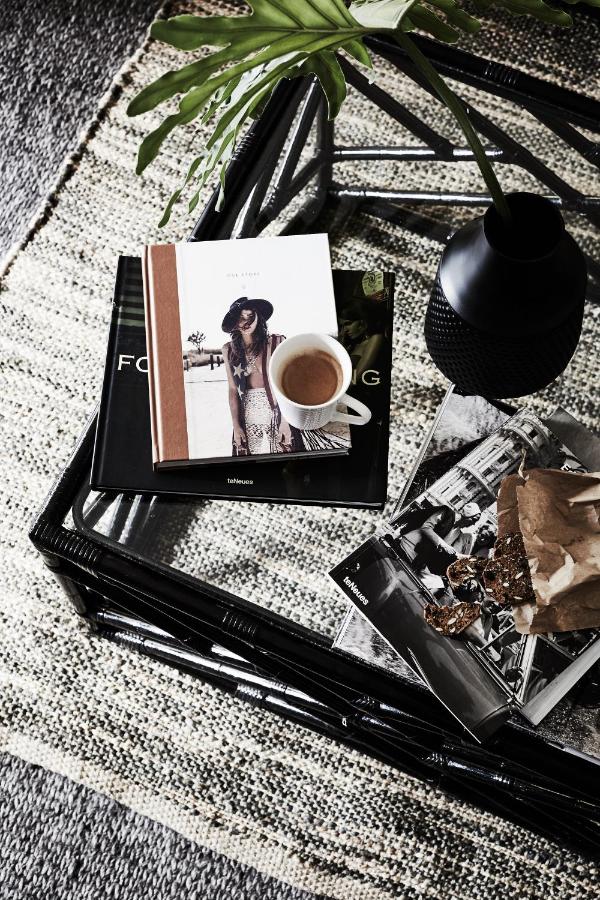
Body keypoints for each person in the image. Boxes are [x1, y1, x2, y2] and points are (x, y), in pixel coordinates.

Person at [221, 297, 297, 456]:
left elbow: (289, 384)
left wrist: (285, 420)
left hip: (278, 414)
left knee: (286, 458)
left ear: (258, 317)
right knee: (249, 463)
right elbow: (232, 390)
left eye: (250, 316)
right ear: (234, 322)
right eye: (241, 318)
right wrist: (236, 425)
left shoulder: (276, 342)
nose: (246, 322)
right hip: (247, 417)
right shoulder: (228, 350)